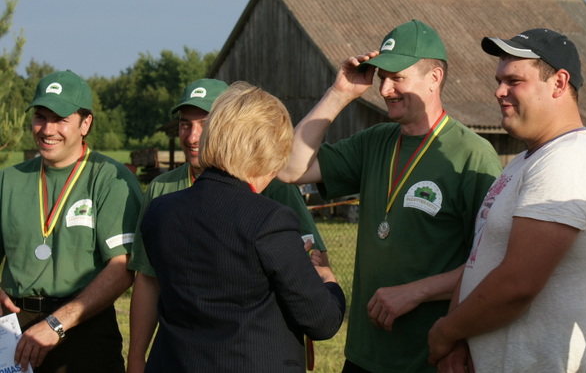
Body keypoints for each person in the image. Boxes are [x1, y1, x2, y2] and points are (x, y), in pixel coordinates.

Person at [279, 19, 502, 373]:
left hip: (430, 357)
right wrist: (340, 93)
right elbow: (290, 169)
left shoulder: (471, 155)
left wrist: (417, 291)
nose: (384, 89)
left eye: (397, 77)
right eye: (381, 77)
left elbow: (491, 264)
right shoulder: (374, 141)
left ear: (434, 78)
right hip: (364, 355)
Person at [426, 28, 586, 372]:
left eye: (514, 81)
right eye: (499, 81)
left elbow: (517, 284)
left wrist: (445, 332)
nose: (499, 91)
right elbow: (479, 260)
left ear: (559, 83)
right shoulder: (527, 160)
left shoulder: (568, 160)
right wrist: (459, 340)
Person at [139, 82, 345, 372]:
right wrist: (328, 280)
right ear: (266, 151)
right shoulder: (269, 220)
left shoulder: (160, 211)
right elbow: (321, 321)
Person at [0, 70, 142, 372]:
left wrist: (56, 323)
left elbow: (122, 267)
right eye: (40, 117)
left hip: (84, 325)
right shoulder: (8, 180)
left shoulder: (110, 179)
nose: (47, 129)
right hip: (15, 329)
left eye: (60, 119)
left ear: (85, 123)